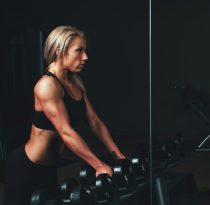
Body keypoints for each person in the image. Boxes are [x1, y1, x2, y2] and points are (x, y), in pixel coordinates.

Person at [3, 26, 127, 205]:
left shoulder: (75, 83)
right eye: (79, 51)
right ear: (59, 51)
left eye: (85, 50)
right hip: (26, 168)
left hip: (49, 169)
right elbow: (65, 131)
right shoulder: (47, 86)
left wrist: (118, 156)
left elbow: (95, 123)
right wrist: (99, 165)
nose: (85, 57)